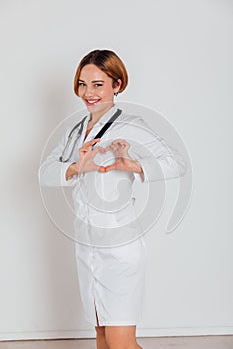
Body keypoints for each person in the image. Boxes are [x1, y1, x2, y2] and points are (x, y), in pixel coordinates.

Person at [39, 49, 186, 349]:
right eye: (82, 84)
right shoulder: (74, 131)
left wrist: (134, 165)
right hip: (87, 249)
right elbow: (45, 172)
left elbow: (177, 162)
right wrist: (77, 166)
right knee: (103, 339)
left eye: (98, 84)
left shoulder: (130, 125)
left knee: (121, 343)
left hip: (120, 250)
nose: (88, 93)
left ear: (116, 85)